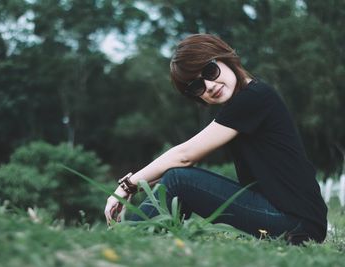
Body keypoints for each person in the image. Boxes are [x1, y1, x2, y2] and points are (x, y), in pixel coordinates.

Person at [104, 33, 327, 245]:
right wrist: (141, 185)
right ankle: (147, 243)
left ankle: (127, 243)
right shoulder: (248, 100)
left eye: (210, 71)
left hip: (296, 222)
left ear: (225, 57)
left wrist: (127, 186)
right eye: (197, 86)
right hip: (295, 219)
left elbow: (185, 157)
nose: (209, 86)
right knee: (175, 180)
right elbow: (186, 166)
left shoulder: (254, 98)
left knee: (179, 180)